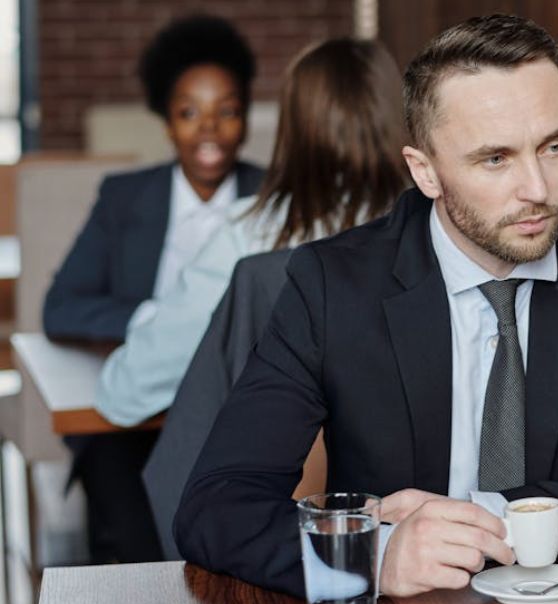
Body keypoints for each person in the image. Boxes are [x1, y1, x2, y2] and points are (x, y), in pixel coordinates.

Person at [174, 14, 558, 598]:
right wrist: (376, 553)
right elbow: (216, 507)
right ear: (426, 172)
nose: (538, 189)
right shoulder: (332, 284)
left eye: (554, 146)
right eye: (496, 159)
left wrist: (497, 519)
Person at [126, 37, 411, 559]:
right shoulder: (437, 236)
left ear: (292, 128)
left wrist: (147, 317)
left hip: (281, 531)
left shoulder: (248, 237)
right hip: (423, 517)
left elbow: (126, 391)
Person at [42, 14, 261, 564]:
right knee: (137, 536)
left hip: (239, 413)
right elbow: (61, 307)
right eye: (189, 113)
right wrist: (155, 323)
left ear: (245, 120)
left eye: (227, 111)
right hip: (133, 414)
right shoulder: (124, 198)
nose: (208, 130)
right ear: (166, 121)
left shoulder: (274, 195)